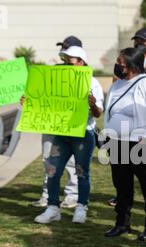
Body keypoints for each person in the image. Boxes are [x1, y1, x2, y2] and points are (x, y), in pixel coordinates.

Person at [33, 46, 104, 224]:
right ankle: (53, 208)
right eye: (64, 60)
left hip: (83, 134)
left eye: (70, 60)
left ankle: (81, 207)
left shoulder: (92, 82)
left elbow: (98, 113)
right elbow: (45, 103)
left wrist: (93, 104)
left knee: (81, 172)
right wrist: (30, 102)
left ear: (81, 62)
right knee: (52, 171)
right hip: (61, 134)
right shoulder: (56, 80)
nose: (65, 63)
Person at [103, 47, 146, 241]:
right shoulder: (117, 85)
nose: (118, 66)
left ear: (132, 65)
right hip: (116, 142)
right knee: (121, 185)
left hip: (138, 143)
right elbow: (109, 112)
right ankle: (122, 224)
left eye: (121, 63)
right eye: (118, 63)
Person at [32, 36, 84, 209]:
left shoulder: (84, 74)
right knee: (48, 160)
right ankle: (47, 195)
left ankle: (72, 196)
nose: (62, 52)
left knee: (71, 162)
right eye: (62, 48)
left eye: (66, 48)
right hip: (51, 122)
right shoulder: (54, 71)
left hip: (70, 124)